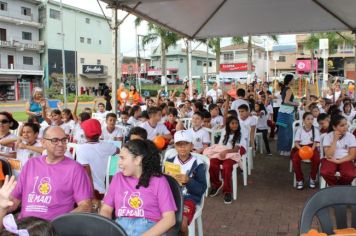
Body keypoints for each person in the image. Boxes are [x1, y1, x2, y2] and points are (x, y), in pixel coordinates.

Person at [9, 126, 92, 220]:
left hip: (52, 228)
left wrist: (61, 222)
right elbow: (15, 200)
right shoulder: (31, 164)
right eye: (55, 140)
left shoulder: (75, 169)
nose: (61, 144)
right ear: (43, 143)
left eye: (64, 140)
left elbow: (85, 206)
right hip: (25, 225)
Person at [99, 140, 176, 236]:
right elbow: (106, 209)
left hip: (149, 229)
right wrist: (105, 230)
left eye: (122, 158)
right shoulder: (118, 178)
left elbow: (170, 219)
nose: (119, 163)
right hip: (120, 228)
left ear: (137, 160)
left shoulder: (159, 181)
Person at [164, 131, 207, 236]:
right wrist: (168, 179)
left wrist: (189, 181)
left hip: (188, 198)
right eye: (179, 144)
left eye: (186, 144)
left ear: (191, 145)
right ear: (175, 146)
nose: (182, 147)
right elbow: (162, 184)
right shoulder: (169, 161)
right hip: (170, 197)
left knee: (181, 224)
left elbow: (202, 189)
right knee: (156, 218)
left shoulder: (198, 164)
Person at [76, 119, 118, 208]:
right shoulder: (107, 146)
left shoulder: (81, 149)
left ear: (85, 134)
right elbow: (117, 150)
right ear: (99, 133)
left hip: (91, 191)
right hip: (105, 188)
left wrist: (93, 197)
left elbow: (87, 175)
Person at [204, 116, 246, 204]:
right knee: (212, 163)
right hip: (221, 152)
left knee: (227, 167)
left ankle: (227, 191)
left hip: (231, 154)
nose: (235, 125)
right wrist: (221, 152)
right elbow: (220, 145)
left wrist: (226, 151)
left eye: (236, 123)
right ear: (228, 124)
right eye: (232, 123)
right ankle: (216, 184)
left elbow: (236, 149)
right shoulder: (224, 132)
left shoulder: (239, 134)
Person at [320, 115, 356, 186]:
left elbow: (352, 155)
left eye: (346, 124)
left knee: (350, 174)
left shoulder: (351, 136)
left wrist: (339, 161)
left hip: (346, 159)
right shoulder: (328, 136)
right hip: (330, 159)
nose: (345, 127)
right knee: (325, 172)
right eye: (342, 125)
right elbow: (328, 155)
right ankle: (336, 187)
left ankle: (339, 187)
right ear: (334, 127)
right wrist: (335, 140)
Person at [291, 112, 320, 190]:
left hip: (311, 147)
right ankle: (300, 179)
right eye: (308, 119)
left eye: (312, 119)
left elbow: (315, 142)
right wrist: (302, 150)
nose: (310, 121)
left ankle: (312, 178)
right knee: (295, 159)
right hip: (301, 147)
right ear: (303, 120)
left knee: (317, 159)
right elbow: (296, 142)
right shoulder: (300, 129)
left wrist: (311, 150)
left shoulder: (315, 130)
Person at [277, 74, 299, 156]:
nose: (294, 80)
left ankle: (282, 150)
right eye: (293, 79)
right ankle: (286, 150)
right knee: (288, 132)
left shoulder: (284, 88)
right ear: (290, 80)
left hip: (282, 112)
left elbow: (284, 101)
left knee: (282, 131)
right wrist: (295, 103)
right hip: (287, 112)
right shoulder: (289, 89)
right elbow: (286, 101)